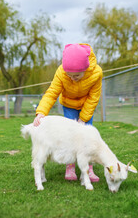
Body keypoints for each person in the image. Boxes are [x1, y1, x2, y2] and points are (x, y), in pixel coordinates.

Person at [33, 43, 103, 182]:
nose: (72, 78)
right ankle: (70, 166)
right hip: (69, 105)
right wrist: (41, 112)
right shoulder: (61, 72)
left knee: (87, 137)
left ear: (85, 68)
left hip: (86, 106)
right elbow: (52, 93)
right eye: (69, 75)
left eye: (76, 75)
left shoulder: (96, 73)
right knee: (70, 135)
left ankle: (89, 169)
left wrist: (83, 118)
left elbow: (93, 97)